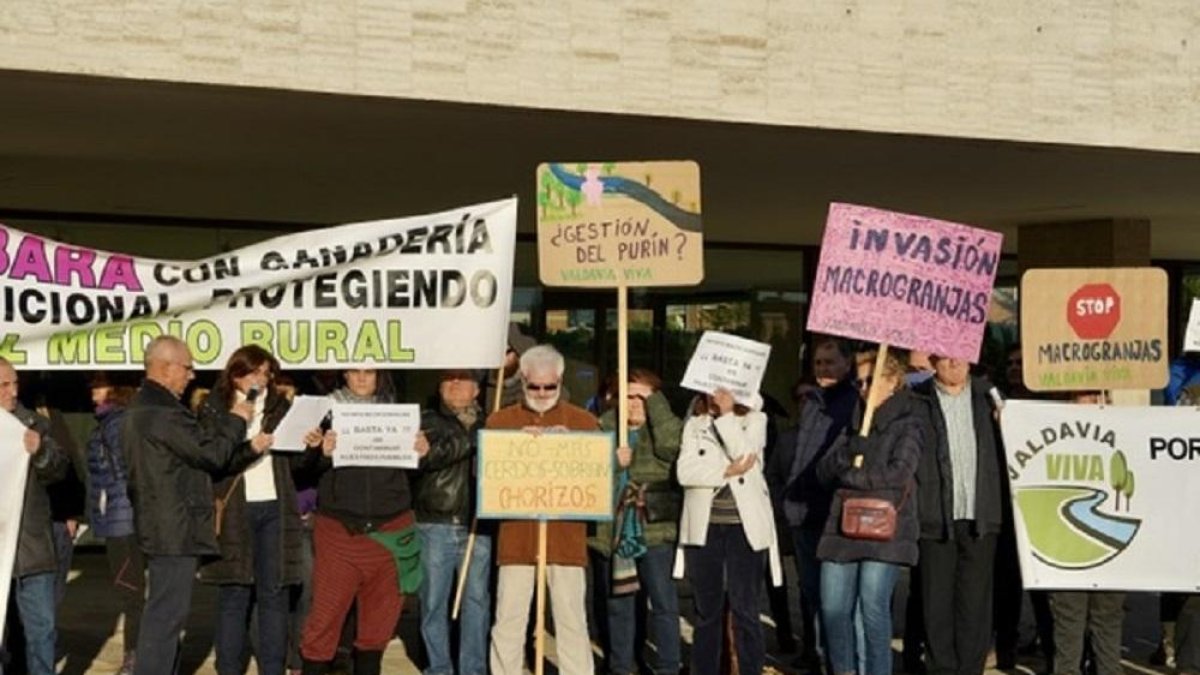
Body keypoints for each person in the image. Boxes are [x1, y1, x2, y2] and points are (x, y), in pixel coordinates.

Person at [125, 336, 272, 675]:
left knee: (165, 614)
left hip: (163, 523)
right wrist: (236, 419)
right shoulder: (162, 412)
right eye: (187, 367)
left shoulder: (143, 407)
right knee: (165, 617)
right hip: (173, 526)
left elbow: (201, 457)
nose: (192, 376)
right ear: (165, 368)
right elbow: (211, 453)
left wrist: (249, 449)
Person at [298, 368, 429, 675]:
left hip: (389, 531)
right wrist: (320, 454)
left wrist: (422, 455)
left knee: (377, 626)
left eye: (368, 372)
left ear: (379, 376)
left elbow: (414, 474)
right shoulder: (323, 413)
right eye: (354, 372)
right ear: (344, 375)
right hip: (340, 531)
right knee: (324, 620)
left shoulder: (402, 416)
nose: (360, 379)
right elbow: (299, 468)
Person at [488, 345, 599, 675]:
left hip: (565, 538)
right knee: (508, 620)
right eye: (533, 385)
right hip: (517, 538)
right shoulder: (500, 421)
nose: (541, 393)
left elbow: (598, 479)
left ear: (560, 380)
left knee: (571, 622)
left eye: (548, 386)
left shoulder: (584, 422)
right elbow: (485, 476)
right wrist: (512, 445)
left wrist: (576, 448)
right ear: (522, 379)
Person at [815, 348, 923, 675]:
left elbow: (898, 473)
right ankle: (845, 670)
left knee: (872, 608)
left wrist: (850, 476)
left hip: (885, 527)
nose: (863, 389)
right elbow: (823, 472)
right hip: (843, 526)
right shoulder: (852, 423)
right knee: (833, 607)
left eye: (870, 381)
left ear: (893, 381)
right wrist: (848, 451)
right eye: (858, 383)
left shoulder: (909, 420)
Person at [198, 346, 303, 675]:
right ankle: (229, 667)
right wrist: (250, 447)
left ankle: (273, 667)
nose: (260, 378)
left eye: (266, 372)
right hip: (234, 512)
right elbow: (215, 461)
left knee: (274, 595)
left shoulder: (281, 406)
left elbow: (297, 465)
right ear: (234, 374)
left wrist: (313, 448)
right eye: (252, 371)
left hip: (275, 507)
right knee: (235, 592)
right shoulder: (214, 409)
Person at [675, 387, 782, 675]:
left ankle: (750, 669)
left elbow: (746, 457)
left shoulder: (755, 420)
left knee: (745, 609)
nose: (714, 396)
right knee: (706, 610)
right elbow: (685, 473)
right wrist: (725, 472)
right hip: (705, 526)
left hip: (744, 528)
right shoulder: (694, 424)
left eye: (721, 392)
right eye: (709, 391)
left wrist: (726, 415)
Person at [911, 355, 1006, 675]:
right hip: (935, 515)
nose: (954, 362)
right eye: (946, 356)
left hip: (981, 513)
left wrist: (1006, 423)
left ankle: (970, 669)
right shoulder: (916, 398)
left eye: (960, 355)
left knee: (975, 605)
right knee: (935, 605)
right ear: (933, 360)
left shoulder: (989, 395)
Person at [768, 336, 859, 668]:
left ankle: (840, 663)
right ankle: (820, 658)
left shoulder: (855, 403)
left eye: (830, 362)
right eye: (818, 363)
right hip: (804, 514)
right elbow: (799, 457)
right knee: (812, 597)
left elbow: (842, 457)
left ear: (847, 365)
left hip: (835, 514)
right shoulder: (813, 403)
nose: (823, 369)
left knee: (837, 603)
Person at [588, 368, 683, 675]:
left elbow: (673, 449)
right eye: (627, 396)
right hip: (613, 532)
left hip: (655, 530)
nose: (634, 403)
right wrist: (614, 462)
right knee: (620, 605)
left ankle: (669, 666)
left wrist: (656, 407)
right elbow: (585, 474)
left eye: (642, 396)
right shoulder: (602, 428)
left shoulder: (665, 428)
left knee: (663, 604)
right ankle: (621, 665)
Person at [415, 369, 492, 675]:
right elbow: (429, 458)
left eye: (463, 379)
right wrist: (474, 440)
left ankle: (472, 668)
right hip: (436, 523)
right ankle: (439, 667)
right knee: (433, 602)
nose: (455, 384)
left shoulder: (492, 421)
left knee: (476, 601)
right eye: (448, 379)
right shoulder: (426, 420)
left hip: (478, 524)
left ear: (477, 389)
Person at [1047, 391, 1125, 675]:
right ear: (1070, 401)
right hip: (1068, 547)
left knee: (1108, 620)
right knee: (1069, 621)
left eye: (1099, 396)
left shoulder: (1127, 431)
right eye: (1086, 396)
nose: (1094, 402)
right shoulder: (1053, 433)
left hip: (1112, 545)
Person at [0, 357, 69, 675]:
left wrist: (40, 451)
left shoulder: (33, 425)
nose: (12, 392)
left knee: (42, 633)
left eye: (15, 383)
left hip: (32, 551)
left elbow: (59, 468)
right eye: (4, 385)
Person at [83, 372, 144, 675]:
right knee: (131, 591)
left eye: (99, 383)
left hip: (124, 522)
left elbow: (127, 471)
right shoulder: (110, 420)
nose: (93, 388)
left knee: (131, 593)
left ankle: (136, 659)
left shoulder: (117, 422)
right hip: (120, 519)